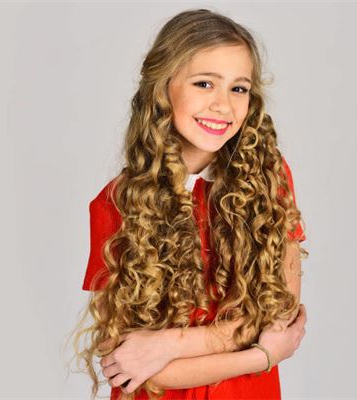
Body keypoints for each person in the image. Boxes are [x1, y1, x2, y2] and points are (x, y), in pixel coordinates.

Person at [67, 8, 309, 400]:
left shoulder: (268, 179)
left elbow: (280, 313)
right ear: (163, 89)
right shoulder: (117, 204)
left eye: (239, 88)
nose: (223, 105)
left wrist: (167, 345)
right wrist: (262, 353)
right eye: (204, 84)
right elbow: (132, 369)